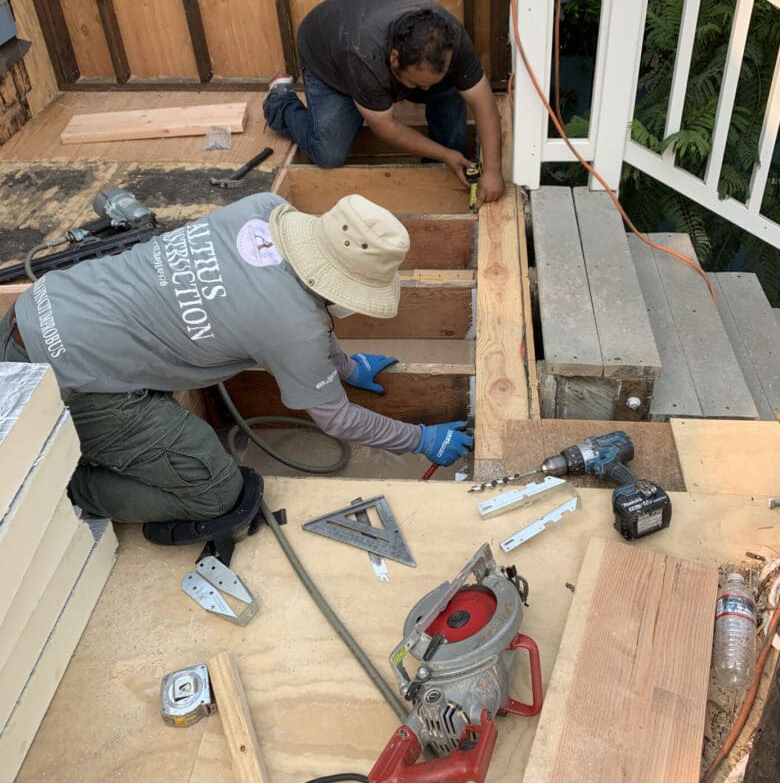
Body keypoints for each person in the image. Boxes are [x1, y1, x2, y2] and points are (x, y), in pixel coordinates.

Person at [0, 192, 473, 540]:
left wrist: (345, 368)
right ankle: (70, 483)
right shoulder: (293, 327)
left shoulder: (261, 209)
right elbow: (336, 417)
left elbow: (305, 297)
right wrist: (420, 440)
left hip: (35, 311)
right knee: (218, 495)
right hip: (64, 383)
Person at [263, 0, 505, 208]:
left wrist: (493, 171)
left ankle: (438, 170)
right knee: (328, 153)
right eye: (416, 83)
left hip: (362, 33)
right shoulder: (364, 58)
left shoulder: (450, 41)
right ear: (395, 59)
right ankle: (280, 101)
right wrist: (446, 153)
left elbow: (483, 100)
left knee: (449, 91)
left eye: (430, 83)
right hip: (327, 54)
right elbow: (387, 128)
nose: (425, 91)